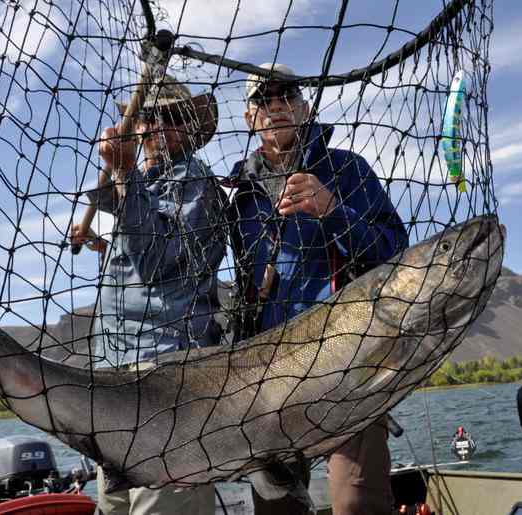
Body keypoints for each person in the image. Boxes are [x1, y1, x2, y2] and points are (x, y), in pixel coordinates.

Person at [226, 63, 409, 515]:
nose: (274, 108)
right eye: (261, 100)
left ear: (304, 107)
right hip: (270, 376)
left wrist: (332, 209)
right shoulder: (239, 196)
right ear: (249, 118)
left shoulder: (348, 169)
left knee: (356, 503)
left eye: (285, 96)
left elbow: (395, 252)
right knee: (277, 509)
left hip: (349, 360)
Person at [71, 75, 226, 515]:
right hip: (114, 382)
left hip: (167, 388)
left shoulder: (197, 183)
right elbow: (140, 262)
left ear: (190, 130)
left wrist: (121, 172)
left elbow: (158, 264)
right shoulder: (141, 184)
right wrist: (107, 240)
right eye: (148, 116)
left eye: (171, 117)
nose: (156, 125)